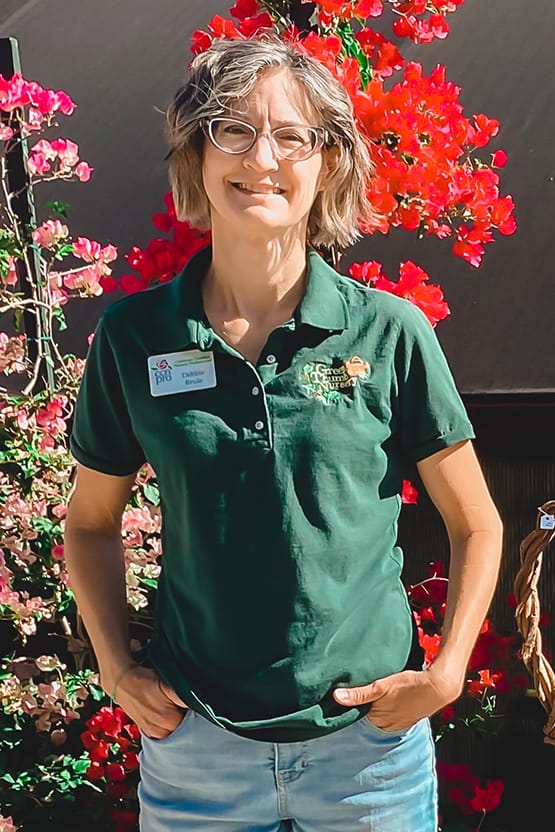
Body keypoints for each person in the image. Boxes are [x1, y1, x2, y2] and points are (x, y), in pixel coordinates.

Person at [64, 34, 503, 832]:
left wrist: (443, 675)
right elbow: (90, 523)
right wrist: (116, 666)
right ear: (195, 153)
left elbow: (475, 520)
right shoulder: (135, 338)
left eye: (291, 136)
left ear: (326, 163)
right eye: (233, 127)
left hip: (368, 755)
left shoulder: (388, 333)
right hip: (196, 747)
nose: (261, 157)